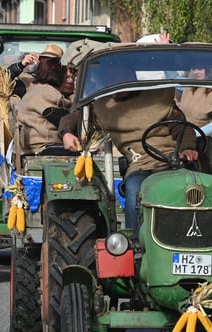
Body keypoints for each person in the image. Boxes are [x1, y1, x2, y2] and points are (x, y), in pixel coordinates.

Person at [59, 86, 198, 230]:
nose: (118, 86)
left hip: (172, 159)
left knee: (194, 184)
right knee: (134, 188)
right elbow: (75, 119)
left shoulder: (159, 98)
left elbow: (182, 128)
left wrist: (187, 148)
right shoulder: (103, 108)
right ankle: (135, 238)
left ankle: (197, 232)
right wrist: (66, 133)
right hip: (140, 166)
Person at [15, 56, 72, 162]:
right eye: (67, 77)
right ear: (56, 75)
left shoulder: (35, 90)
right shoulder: (48, 92)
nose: (71, 80)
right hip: (44, 147)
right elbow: (58, 116)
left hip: (30, 149)